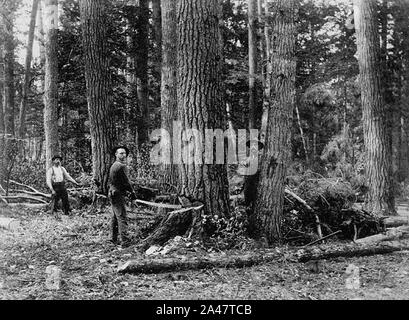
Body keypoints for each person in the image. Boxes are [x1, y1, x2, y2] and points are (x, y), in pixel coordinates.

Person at [108, 146, 136, 248]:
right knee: (122, 217)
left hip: (113, 192)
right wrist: (133, 194)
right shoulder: (121, 166)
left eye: (124, 153)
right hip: (117, 194)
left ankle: (112, 238)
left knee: (115, 216)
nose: (123, 155)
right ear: (116, 154)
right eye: (121, 153)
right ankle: (126, 241)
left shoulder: (114, 165)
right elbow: (126, 182)